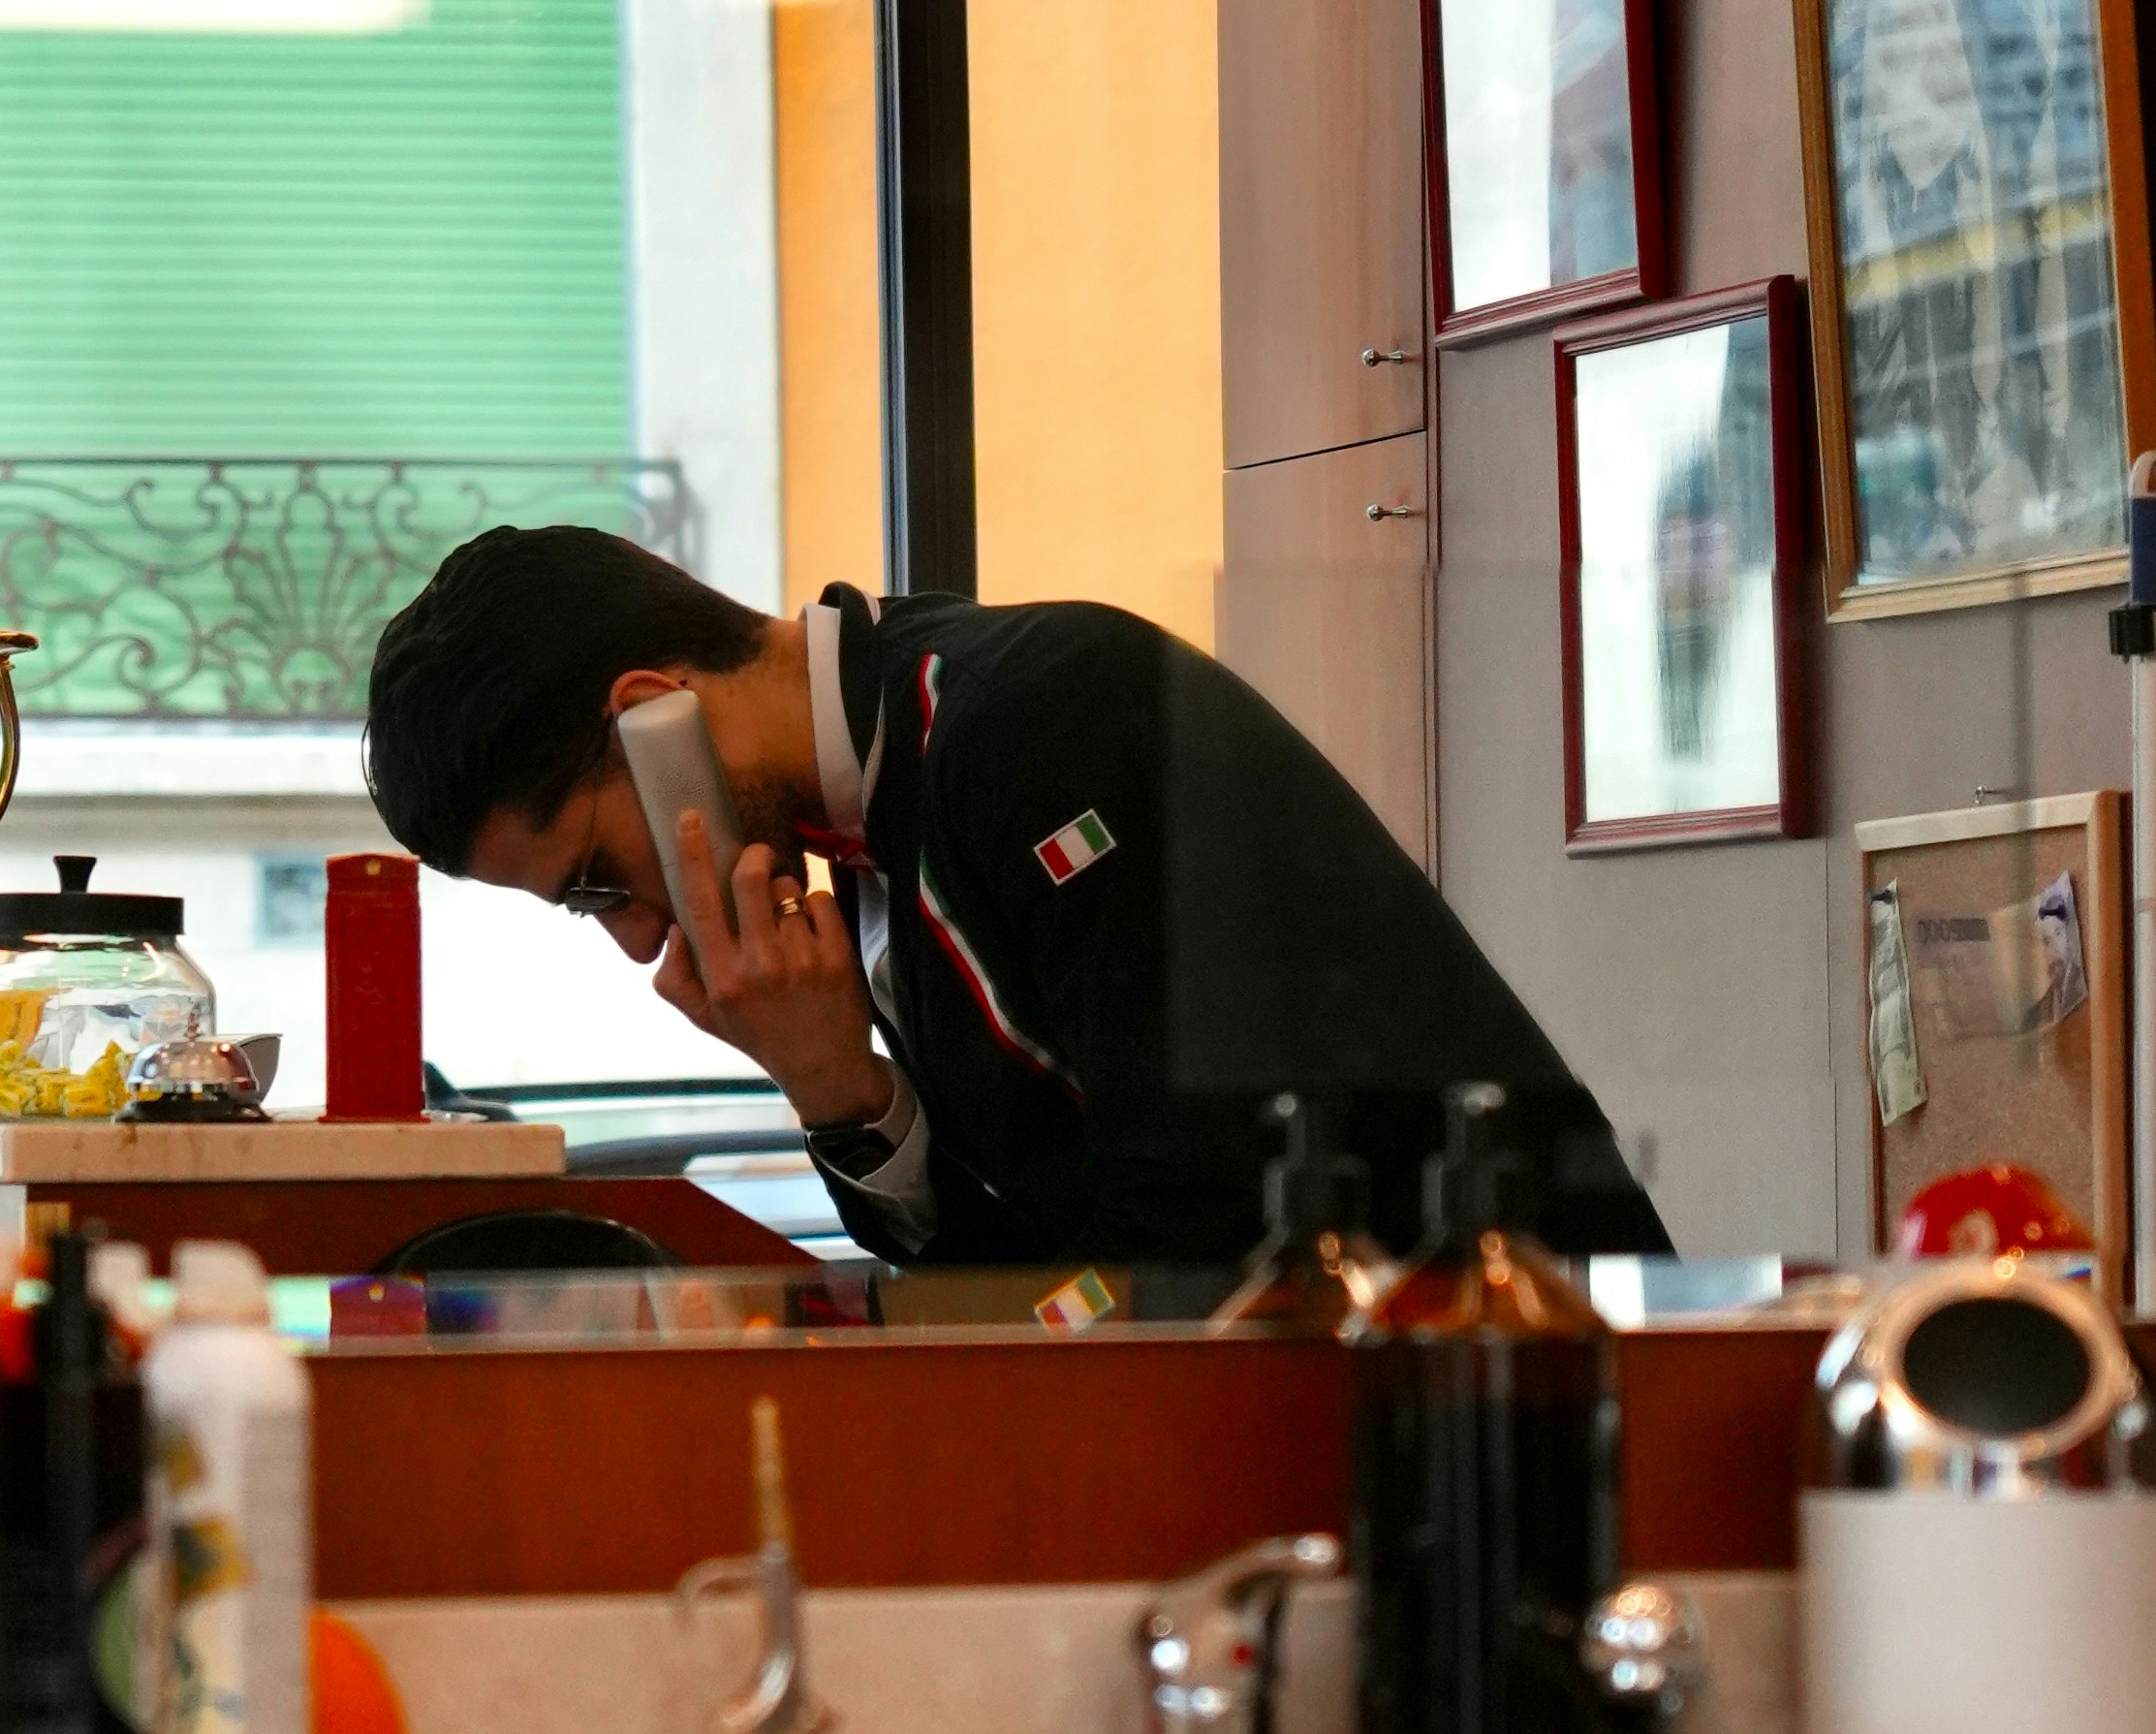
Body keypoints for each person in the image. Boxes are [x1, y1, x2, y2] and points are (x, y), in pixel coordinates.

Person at [363, 528, 1669, 1277]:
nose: (641, 938)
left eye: (597, 882)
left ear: (654, 719)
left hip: (1514, 1369)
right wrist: (841, 1094)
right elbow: (1035, 1273)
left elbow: (1184, 1227)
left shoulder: (1037, 713)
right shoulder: (858, 845)